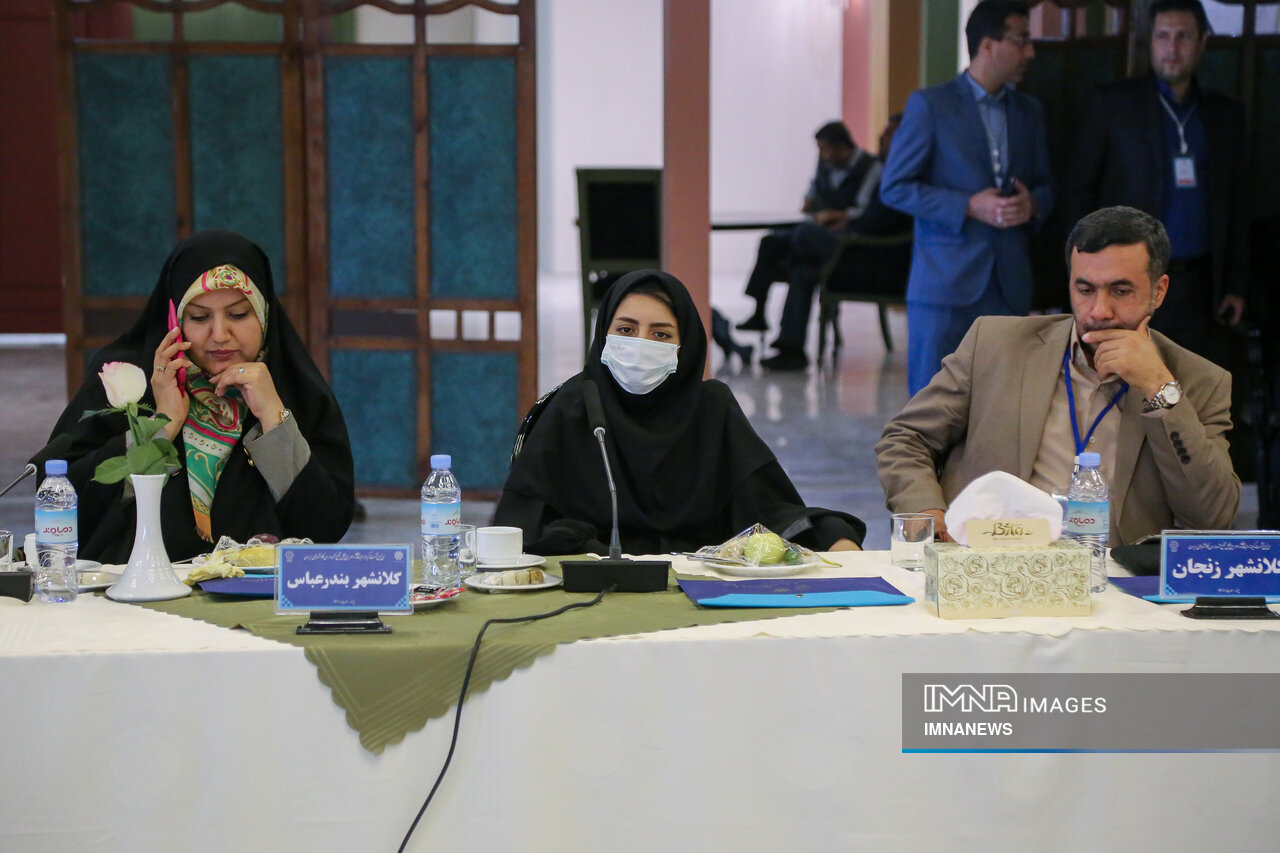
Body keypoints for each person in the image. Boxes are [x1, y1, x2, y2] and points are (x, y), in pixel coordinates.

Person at [875, 206, 1239, 546]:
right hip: (991, 562)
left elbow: (1212, 518)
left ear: (1158, 291)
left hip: (1115, 577)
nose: (1100, 311)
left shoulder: (1200, 382)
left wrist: (1159, 389)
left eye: (1121, 291)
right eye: (1085, 290)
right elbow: (906, 439)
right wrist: (929, 513)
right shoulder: (996, 345)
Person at [496, 269, 866, 555]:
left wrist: (835, 538)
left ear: (684, 345)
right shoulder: (573, 407)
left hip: (701, 585)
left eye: (660, 335)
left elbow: (769, 510)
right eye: (625, 329)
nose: (640, 344)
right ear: (604, 335)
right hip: (592, 585)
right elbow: (522, 526)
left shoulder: (711, 409)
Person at [46, 230, 356, 563]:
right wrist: (160, 426)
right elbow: (63, 505)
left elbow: (325, 526)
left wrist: (273, 419)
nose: (219, 335)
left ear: (265, 316)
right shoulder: (128, 382)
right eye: (199, 317)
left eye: (238, 314)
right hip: (142, 586)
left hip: (260, 588)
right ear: (174, 319)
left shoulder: (296, 392)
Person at [879, 0, 1054, 395]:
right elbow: (894, 187)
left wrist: (1032, 205)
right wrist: (969, 206)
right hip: (944, 287)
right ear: (988, 45)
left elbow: (1047, 187)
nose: (1031, 52)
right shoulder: (931, 106)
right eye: (1021, 40)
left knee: (1003, 407)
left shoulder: (1029, 112)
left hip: (1009, 285)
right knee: (933, 408)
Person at [1062, 0, 1248, 355]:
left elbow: (1237, 203)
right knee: (1124, 382)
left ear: (1202, 41)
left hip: (1200, 285)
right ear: (1150, 41)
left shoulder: (1225, 114)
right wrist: (1081, 284)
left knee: (1186, 384)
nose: (1172, 48)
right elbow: (1078, 194)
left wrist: (1236, 284)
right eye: (1162, 36)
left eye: (1183, 36)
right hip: (1125, 284)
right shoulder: (1112, 105)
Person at [761, 116, 912, 371]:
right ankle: (791, 350)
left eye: (889, 133)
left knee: (803, 234)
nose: (881, 137)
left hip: (870, 258)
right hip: (854, 246)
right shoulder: (889, 170)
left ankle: (784, 258)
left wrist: (846, 226)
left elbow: (875, 224)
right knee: (801, 270)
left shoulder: (901, 175)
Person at [736, 121, 884, 337]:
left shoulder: (871, 167)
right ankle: (760, 313)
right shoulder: (824, 164)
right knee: (771, 242)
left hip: (844, 240)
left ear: (842, 146)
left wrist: (838, 215)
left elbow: (864, 209)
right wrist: (810, 203)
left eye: (826, 149)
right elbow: (813, 189)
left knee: (803, 235)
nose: (822, 155)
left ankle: (795, 254)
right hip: (819, 229)